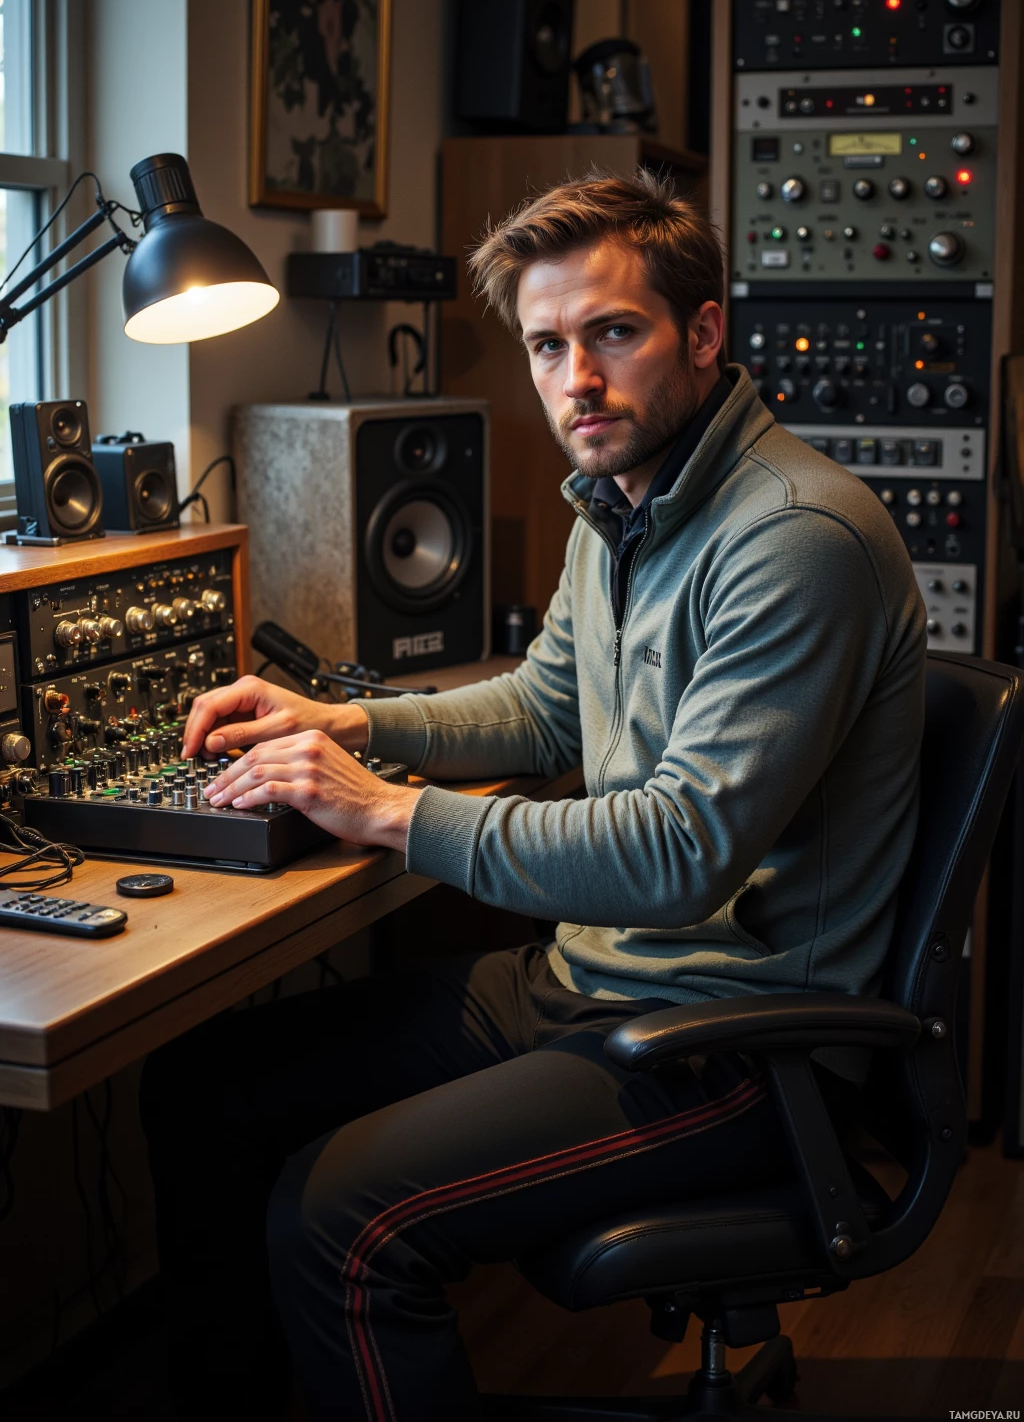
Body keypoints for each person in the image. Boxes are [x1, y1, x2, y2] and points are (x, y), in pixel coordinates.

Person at [141, 170, 926, 1421]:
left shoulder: (793, 538)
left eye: (614, 332)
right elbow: (543, 706)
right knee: (204, 1088)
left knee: (336, 1218)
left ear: (705, 332)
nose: (578, 381)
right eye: (548, 345)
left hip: (734, 1042)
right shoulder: (619, 505)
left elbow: (677, 855)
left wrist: (387, 810)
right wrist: (349, 720)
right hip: (596, 980)